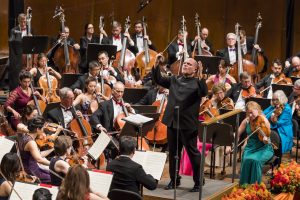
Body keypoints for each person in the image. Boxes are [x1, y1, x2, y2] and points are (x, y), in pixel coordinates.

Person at [152, 53, 207, 192]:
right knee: (174, 153)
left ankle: (198, 181)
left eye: (189, 64)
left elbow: (204, 92)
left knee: (192, 153)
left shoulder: (197, 83)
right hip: (172, 122)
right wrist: (157, 63)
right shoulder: (174, 80)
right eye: (185, 63)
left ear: (195, 69)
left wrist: (201, 77)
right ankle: (174, 179)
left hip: (188, 124)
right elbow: (158, 78)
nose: (185, 65)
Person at [234, 101, 274, 185]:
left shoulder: (264, 121)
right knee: (246, 160)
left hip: (264, 148)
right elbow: (237, 133)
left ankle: (255, 186)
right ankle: (244, 185)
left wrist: (265, 139)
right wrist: (233, 141)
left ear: (257, 110)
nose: (250, 115)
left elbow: (267, 140)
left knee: (255, 161)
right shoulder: (246, 121)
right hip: (250, 148)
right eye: (248, 113)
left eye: (252, 113)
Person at [17, 116, 53, 183]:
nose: (43, 130)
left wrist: (52, 149)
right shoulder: (31, 142)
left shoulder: (25, 135)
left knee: (51, 173)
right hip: (31, 169)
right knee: (52, 178)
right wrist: (53, 164)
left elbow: (37, 154)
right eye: (42, 128)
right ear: (37, 129)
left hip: (28, 165)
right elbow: (39, 159)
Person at [8, 13, 29, 90]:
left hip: (28, 56)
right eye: (21, 21)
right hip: (18, 56)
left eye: (24, 21)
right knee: (17, 75)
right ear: (18, 21)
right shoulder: (14, 30)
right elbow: (11, 42)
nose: (23, 23)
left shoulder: (30, 29)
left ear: (26, 20)